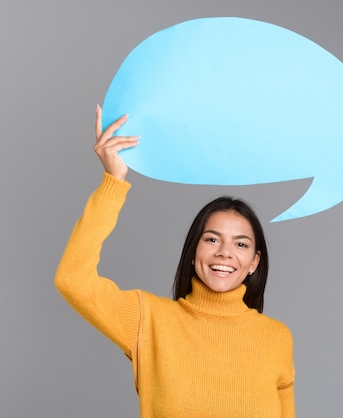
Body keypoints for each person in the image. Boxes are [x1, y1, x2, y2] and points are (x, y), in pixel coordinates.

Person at [55, 105, 295, 417]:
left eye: (241, 244)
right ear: (194, 252)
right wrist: (113, 182)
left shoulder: (276, 337)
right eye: (212, 239)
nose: (225, 252)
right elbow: (72, 280)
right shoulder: (149, 321)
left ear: (253, 262)